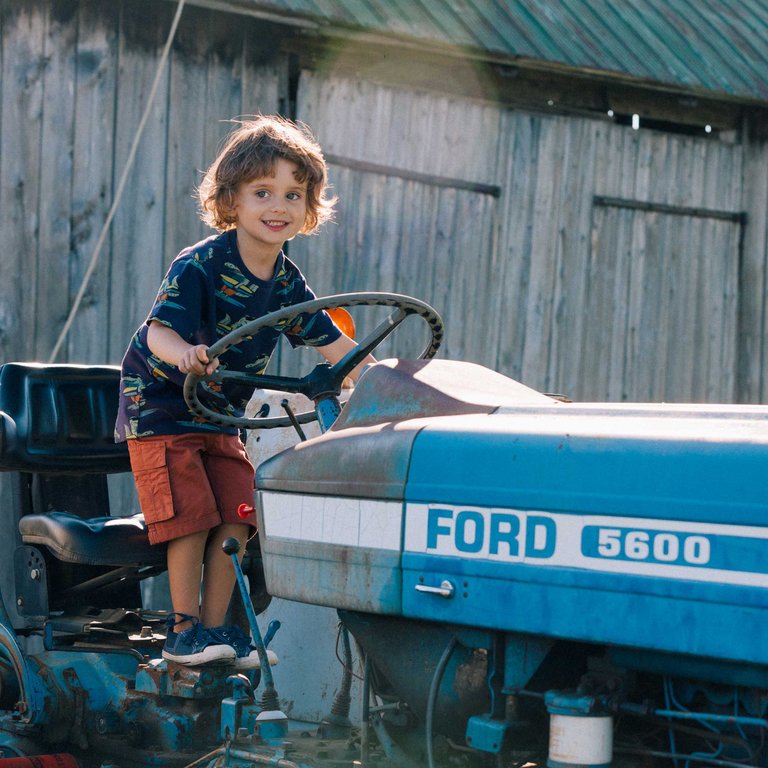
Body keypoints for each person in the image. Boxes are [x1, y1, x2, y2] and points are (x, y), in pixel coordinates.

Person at [115, 115, 370, 667]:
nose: (278, 206)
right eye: (263, 192)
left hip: (218, 416)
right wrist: (183, 353)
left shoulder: (285, 282)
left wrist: (382, 384)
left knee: (238, 509)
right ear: (231, 199)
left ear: (308, 209)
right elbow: (157, 331)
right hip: (160, 407)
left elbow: (334, 345)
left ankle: (218, 632)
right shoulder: (200, 265)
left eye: (293, 194)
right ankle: (183, 635)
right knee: (193, 516)